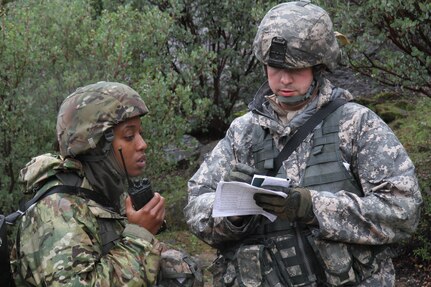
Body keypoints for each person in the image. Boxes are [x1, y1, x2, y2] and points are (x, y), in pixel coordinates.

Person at [184, 1, 422, 286]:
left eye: (295, 69)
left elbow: (403, 211)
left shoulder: (356, 124)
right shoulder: (243, 133)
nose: (284, 79)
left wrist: (313, 208)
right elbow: (196, 207)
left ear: (319, 66)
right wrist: (231, 214)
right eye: (274, 67)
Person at [10, 81, 200, 286]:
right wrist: (141, 235)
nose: (142, 144)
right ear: (97, 145)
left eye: (140, 133)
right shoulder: (58, 209)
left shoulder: (97, 190)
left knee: (177, 267)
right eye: (129, 136)